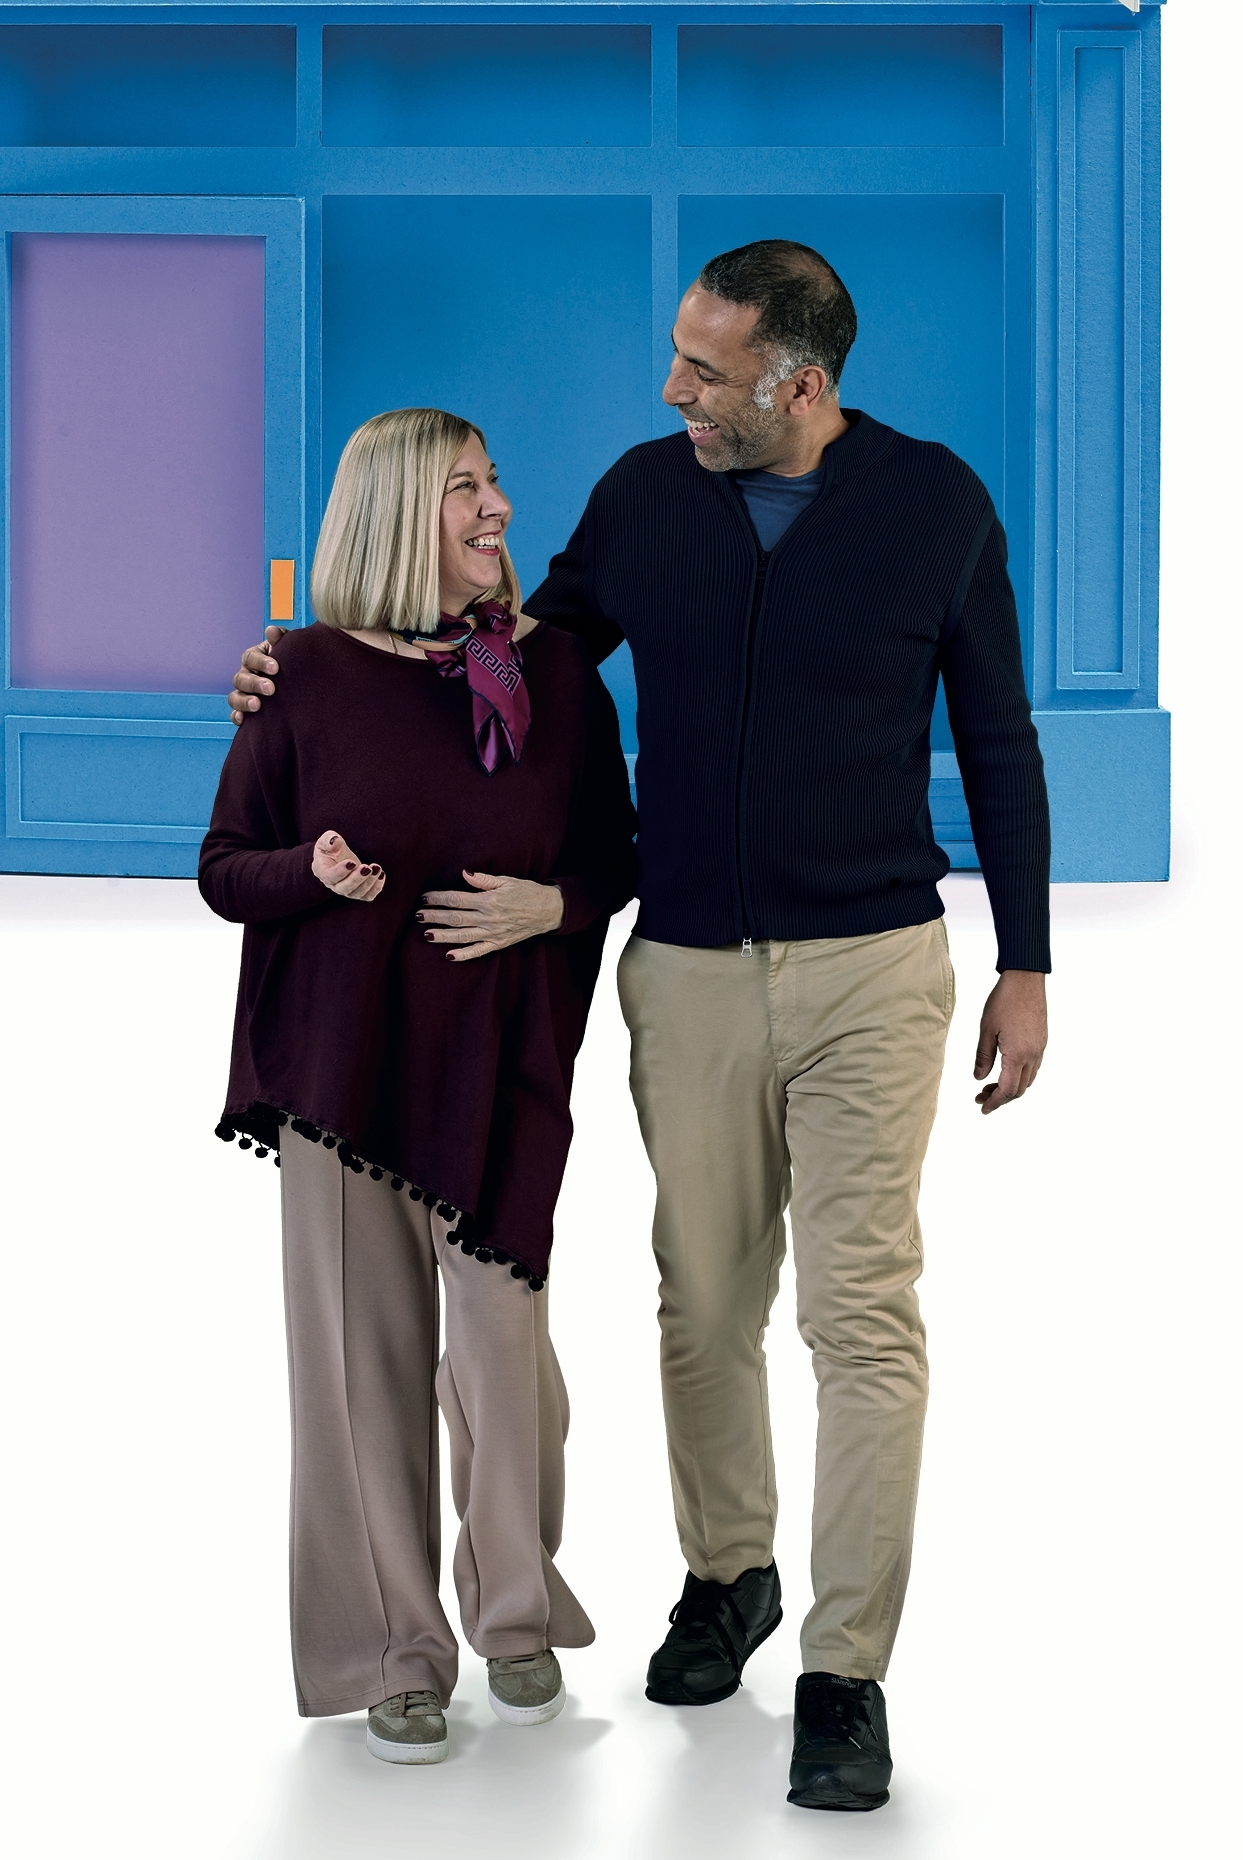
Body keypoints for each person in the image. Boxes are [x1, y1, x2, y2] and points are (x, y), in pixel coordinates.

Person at [228, 240, 1051, 1813]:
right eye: (676, 354)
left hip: (873, 962)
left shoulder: (933, 505)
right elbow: (505, 666)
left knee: (859, 1315)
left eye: (704, 369)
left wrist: (1026, 960)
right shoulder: (644, 495)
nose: (671, 387)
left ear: (796, 385)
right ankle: (727, 1574)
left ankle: (843, 1670)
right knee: (703, 1302)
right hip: (684, 967)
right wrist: (309, 673)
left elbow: (997, 736)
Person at [198, 408, 636, 1770]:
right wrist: (311, 875)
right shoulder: (299, 676)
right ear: (396, 514)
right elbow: (224, 867)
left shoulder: (552, 673)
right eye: (462, 489)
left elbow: (615, 853)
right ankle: (395, 1651)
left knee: (506, 1355)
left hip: (501, 1061)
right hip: (343, 1071)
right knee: (359, 1368)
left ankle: (515, 1611)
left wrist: (548, 906)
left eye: (494, 480)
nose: (495, 506)